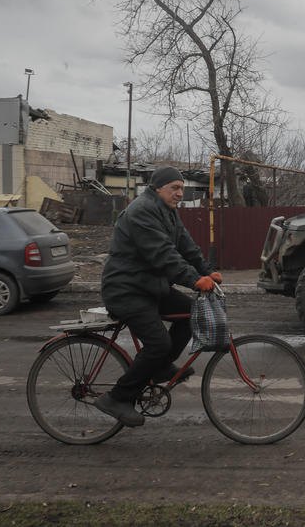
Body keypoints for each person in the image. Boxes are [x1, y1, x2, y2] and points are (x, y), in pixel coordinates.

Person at [94, 165, 223, 427]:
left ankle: (160, 368)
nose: (179, 194)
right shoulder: (142, 211)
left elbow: (187, 246)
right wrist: (195, 280)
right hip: (126, 289)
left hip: (149, 286)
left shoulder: (168, 212)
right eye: (174, 188)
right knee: (159, 344)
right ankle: (117, 398)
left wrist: (208, 271)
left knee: (191, 313)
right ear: (157, 188)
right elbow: (163, 254)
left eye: (181, 189)